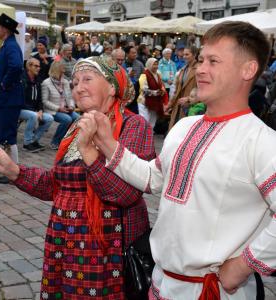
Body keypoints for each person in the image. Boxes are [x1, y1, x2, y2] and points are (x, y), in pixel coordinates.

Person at [80, 21, 276, 300]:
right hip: (162, 284)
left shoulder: (263, 142)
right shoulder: (185, 127)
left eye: (214, 61)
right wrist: (108, 144)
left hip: (214, 291)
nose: (201, 69)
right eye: (201, 60)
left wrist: (245, 264)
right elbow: (153, 178)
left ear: (248, 69)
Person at [0, 56, 156, 300]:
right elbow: (55, 185)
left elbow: (126, 194)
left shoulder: (134, 125)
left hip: (107, 247)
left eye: (87, 79)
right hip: (65, 241)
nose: (78, 87)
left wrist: (89, 153)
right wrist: (13, 170)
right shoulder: (74, 128)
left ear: (111, 85)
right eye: (74, 83)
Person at [0, 13, 24, 184]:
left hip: (8, 98)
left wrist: (4, 84)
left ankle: (14, 172)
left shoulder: (10, 46)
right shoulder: (8, 45)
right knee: (2, 133)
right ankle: (8, 168)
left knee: (9, 134)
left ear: (5, 29)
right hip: (5, 98)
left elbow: (16, 66)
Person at [42, 61, 79, 150]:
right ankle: (55, 142)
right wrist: (58, 108)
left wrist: (71, 106)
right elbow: (45, 101)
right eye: (62, 70)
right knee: (67, 119)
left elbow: (70, 98)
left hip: (65, 108)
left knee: (78, 118)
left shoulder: (65, 82)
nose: (64, 71)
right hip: (52, 110)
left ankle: (66, 140)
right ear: (57, 70)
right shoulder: (46, 83)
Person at [20, 58, 53, 152]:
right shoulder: (22, 79)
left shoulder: (38, 80)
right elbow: (20, 100)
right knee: (33, 116)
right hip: (20, 109)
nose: (39, 68)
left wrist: (40, 110)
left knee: (49, 118)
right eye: (36, 66)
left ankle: (34, 141)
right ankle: (27, 143)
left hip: (33, 110)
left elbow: (39, 99)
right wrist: (34, 111)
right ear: (29, 66)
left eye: (39, 66)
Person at [167, 45, 198, 130]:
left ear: (194, 55)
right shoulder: (183, 69)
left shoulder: (199, 69)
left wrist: (189, 99)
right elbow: (176, 90)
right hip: (178, 107)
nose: (184, 57)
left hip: (192, 108)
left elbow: (203, 90)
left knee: (185, 134)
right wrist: (170, 104)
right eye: (183, 54)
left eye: (187, 54)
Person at [138, 58, 168, 129]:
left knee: (152, 123)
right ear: (149, 65)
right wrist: (156, 93)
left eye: (157, 64)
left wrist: (162, 91)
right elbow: (144, 90)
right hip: (144, 102)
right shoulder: (143, 75)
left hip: (155, 102)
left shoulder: (158, 75)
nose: (156, 66)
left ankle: (149, 137)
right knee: (144, 122)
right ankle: (143, 138)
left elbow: (161, 85)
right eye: (154, 64)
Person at [123, 45, 145, 114]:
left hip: (136, 89)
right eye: (132, 53)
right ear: (127, 54)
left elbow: (143, 75)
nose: (135, 54)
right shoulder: (122, 63)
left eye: (135, 53)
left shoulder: (140, 64)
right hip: (125, 90)